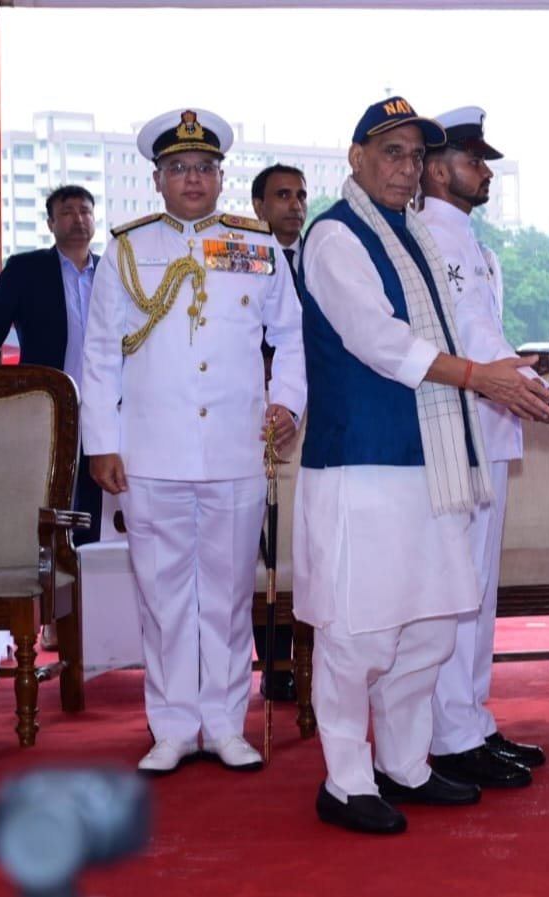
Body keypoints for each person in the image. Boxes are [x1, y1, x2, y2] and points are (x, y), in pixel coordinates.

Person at [294, 96, 549, 835]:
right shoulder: (337, 237)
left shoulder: (417, 236)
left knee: (433, 623)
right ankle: (346, 778)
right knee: (359, 632)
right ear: (356, 158)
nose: (405, 169)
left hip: (435, 461)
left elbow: (461, 326)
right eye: (392, 153)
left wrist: (506, 372)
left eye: (414, 156)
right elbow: (378, 340)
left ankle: (405, 763)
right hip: (363, 462)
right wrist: (482, 378)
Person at [80, 108, 306, 776]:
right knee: (164, 593)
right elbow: (99, 355)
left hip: (237, 450)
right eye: (179, 168)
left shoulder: (257, 244)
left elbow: (290, 337)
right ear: (157, 179)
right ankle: (173, 726)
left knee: (229, 594)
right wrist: (102, 442)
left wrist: (286, 402)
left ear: (220, 177)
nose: (193, 179)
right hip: (152, 453)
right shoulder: (127, 248)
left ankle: (225, 723)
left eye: (204, 168)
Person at [418, 106, 545, 789]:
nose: (486, 170)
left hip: (486, 426)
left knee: (479, 591)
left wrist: (528, 380)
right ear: (438, 169)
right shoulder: (431, 237)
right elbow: (468, 337)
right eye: (474, 159)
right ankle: (449, 734)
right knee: (457, 589)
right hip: (457, 427)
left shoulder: (467, 238)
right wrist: (526, 381)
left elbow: (483, 329)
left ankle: (471, 718)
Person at [0, 185, 103, 549]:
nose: (78, 218)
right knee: (42, 495)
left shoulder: (111, 273)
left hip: (101, 407)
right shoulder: (26, 269)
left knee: (92, 501)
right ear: (50, 222)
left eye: (85, 211)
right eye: (68, 211)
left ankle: (85, 576)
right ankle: (41, 576)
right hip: (44, 404)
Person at [250, 163, 310, 703]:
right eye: (282, 195)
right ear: (259, 207)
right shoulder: (243, 263)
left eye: (300, 195)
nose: (294, 205)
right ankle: (275, 661)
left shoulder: (323, 260)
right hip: (260, 419)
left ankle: (315, 655)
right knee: (266, 536)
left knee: (305, 534)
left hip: (317, 418)